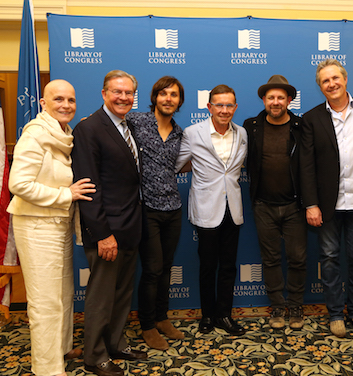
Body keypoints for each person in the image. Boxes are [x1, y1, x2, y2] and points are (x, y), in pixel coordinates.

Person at [8, 80, 96, 376]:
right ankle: (47, 368)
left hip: (57, 224)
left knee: (61, 292)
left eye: (71, 100)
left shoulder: (65, 134)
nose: (66, 105)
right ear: (43, 103)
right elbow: (17, 184)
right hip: (34, 224)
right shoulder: (34, 134)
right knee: (45, 299)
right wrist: (65, 195)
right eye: (58, 99)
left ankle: (61, 348)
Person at [72, 70, 147, 376]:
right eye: (117, 92)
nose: (123, 98)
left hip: (130, 226)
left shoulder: (127, 127)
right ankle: (95, 355)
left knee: (121, 294)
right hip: (106, 231)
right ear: (104, 93)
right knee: (101, 298)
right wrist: (102, 234)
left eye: (129, 93)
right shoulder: (89, 128)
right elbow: (89, 188)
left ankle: (115, 343)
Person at [300, 59, 353, 337]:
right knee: (330, 258)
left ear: (345, 80)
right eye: (325, 81)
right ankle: (336, 313)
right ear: (320, 86)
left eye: (336, 78)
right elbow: (306, 165)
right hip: (327, 205)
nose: (332, 84)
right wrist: (311, 203)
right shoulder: (311, 118)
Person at [175, 84, 248, 336]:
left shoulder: (242, 134)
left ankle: (224, 315)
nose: (224, 110)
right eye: (219, 105)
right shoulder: (193, 133)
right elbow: (176, 164)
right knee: (207, 265)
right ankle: (207, 315)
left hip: (233, 208)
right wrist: (198, 170)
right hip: (206, 208)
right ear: (209, 107)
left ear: (235, 108)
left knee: (228, 265)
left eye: (229, 105)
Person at [125, 76, 186, 350]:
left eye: (173, 95)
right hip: (146, 207)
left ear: (179, 101)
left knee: (166, 268)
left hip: (173, 208)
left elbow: (178, 165)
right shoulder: (136, 122)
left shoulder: (179, 132)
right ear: (155, 98)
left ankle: (162, 318)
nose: (168, 99)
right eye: (163, 94)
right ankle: (147, 325)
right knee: (151, 270)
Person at [244, 75, 307, 330]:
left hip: (295, 205)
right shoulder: (252, 126)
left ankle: (295, 306)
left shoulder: (302, 126)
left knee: (298, 258)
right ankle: (277, 307)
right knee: (270, 259)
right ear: (264, 100)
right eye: (271, 97)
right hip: (263, 205)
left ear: (289, 100)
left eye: (281, 97)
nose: (276, 102)